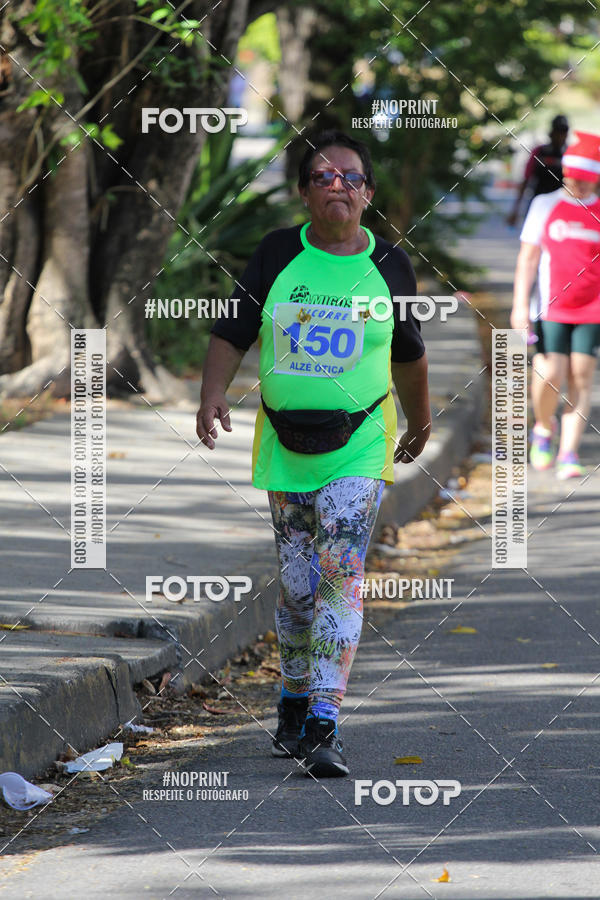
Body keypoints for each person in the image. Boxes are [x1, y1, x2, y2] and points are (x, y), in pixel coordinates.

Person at [196, 130, 431, 778]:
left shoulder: (388, 266)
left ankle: (325, 720)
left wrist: (421, 421)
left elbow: (409, 353)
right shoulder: (277, 254)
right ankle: (293, 698)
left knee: (340, 577)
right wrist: (212, 394)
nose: (338, 186)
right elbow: (233, 330)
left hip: (358, 442)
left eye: (351, 177)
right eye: (324, 177)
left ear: (369, 195)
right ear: (303, 192)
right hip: (284, 444)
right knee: (298, 589)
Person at [511, 130, 600, 479]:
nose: (582, 187)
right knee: (551, 373)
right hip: (551, 307)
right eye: (577, 180)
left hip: (592, 308)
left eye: (589, 181)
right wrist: (520, 307)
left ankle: (568, 451)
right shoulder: (545, 205)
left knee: (581, 374)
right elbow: (528, 259)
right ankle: (544, 428)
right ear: (566, 174)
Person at [506, 115, 569, 227]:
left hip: (562, 205)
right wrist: (516, 209)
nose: (560, 136)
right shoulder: (539, 151)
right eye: (558, 131)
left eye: (563, 132)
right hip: (539, 203)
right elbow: (526, 179)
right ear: (552, 132)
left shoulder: (570, 154)